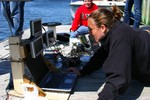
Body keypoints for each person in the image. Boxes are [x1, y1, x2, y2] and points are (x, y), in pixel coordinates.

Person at [68, 6, 150, 99]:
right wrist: (82, 71)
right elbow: (101, 54)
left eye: (91, 29)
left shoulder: (120, 37)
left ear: (102, 28)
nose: (89, 33)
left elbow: (118, 78)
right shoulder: (114, 29)